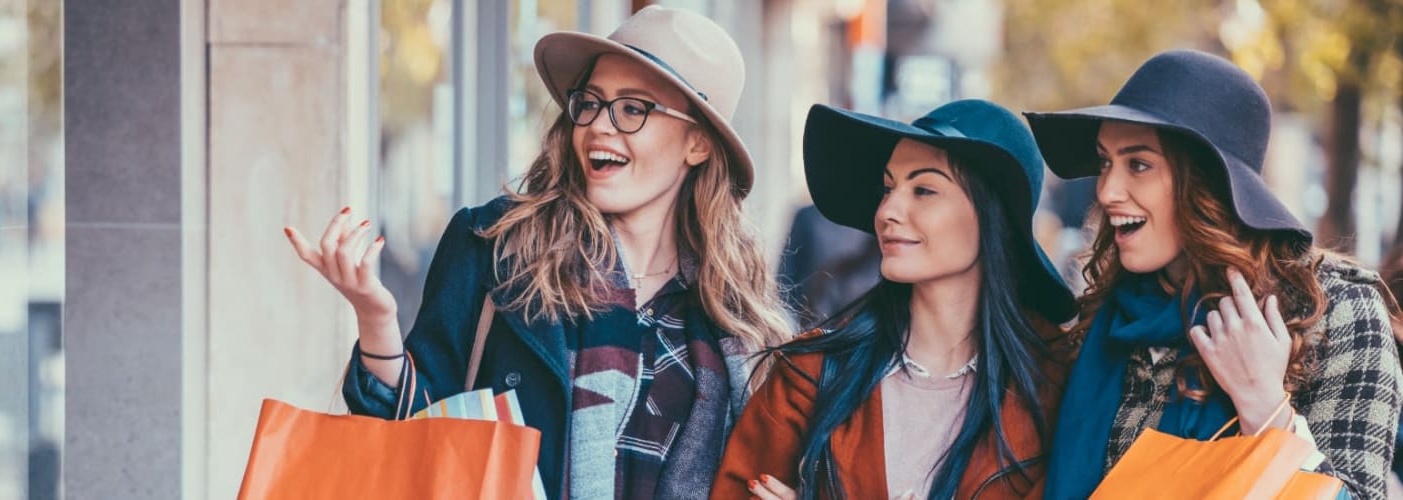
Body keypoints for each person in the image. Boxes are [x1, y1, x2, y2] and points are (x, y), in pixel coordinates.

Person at [285, 7, 792, 499]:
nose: (599, 125)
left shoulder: (732, 318)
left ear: (697, 144)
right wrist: (376, 318)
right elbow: (413, 438)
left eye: (633, 108)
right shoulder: (496, 247)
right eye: (590, 102)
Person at [1031, 50, 1403, 500]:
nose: (1107, 190)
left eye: (1139, 164)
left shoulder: (1337, 311)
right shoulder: (1107, 318)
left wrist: (1268, 413)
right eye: (1105, 161)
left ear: (1209, 182)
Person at [712, 99, 1077, 499]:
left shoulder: (1055, 383)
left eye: (923, 189)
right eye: (888, 188)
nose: (888, 209)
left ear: (995, 217)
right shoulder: (810, 374)